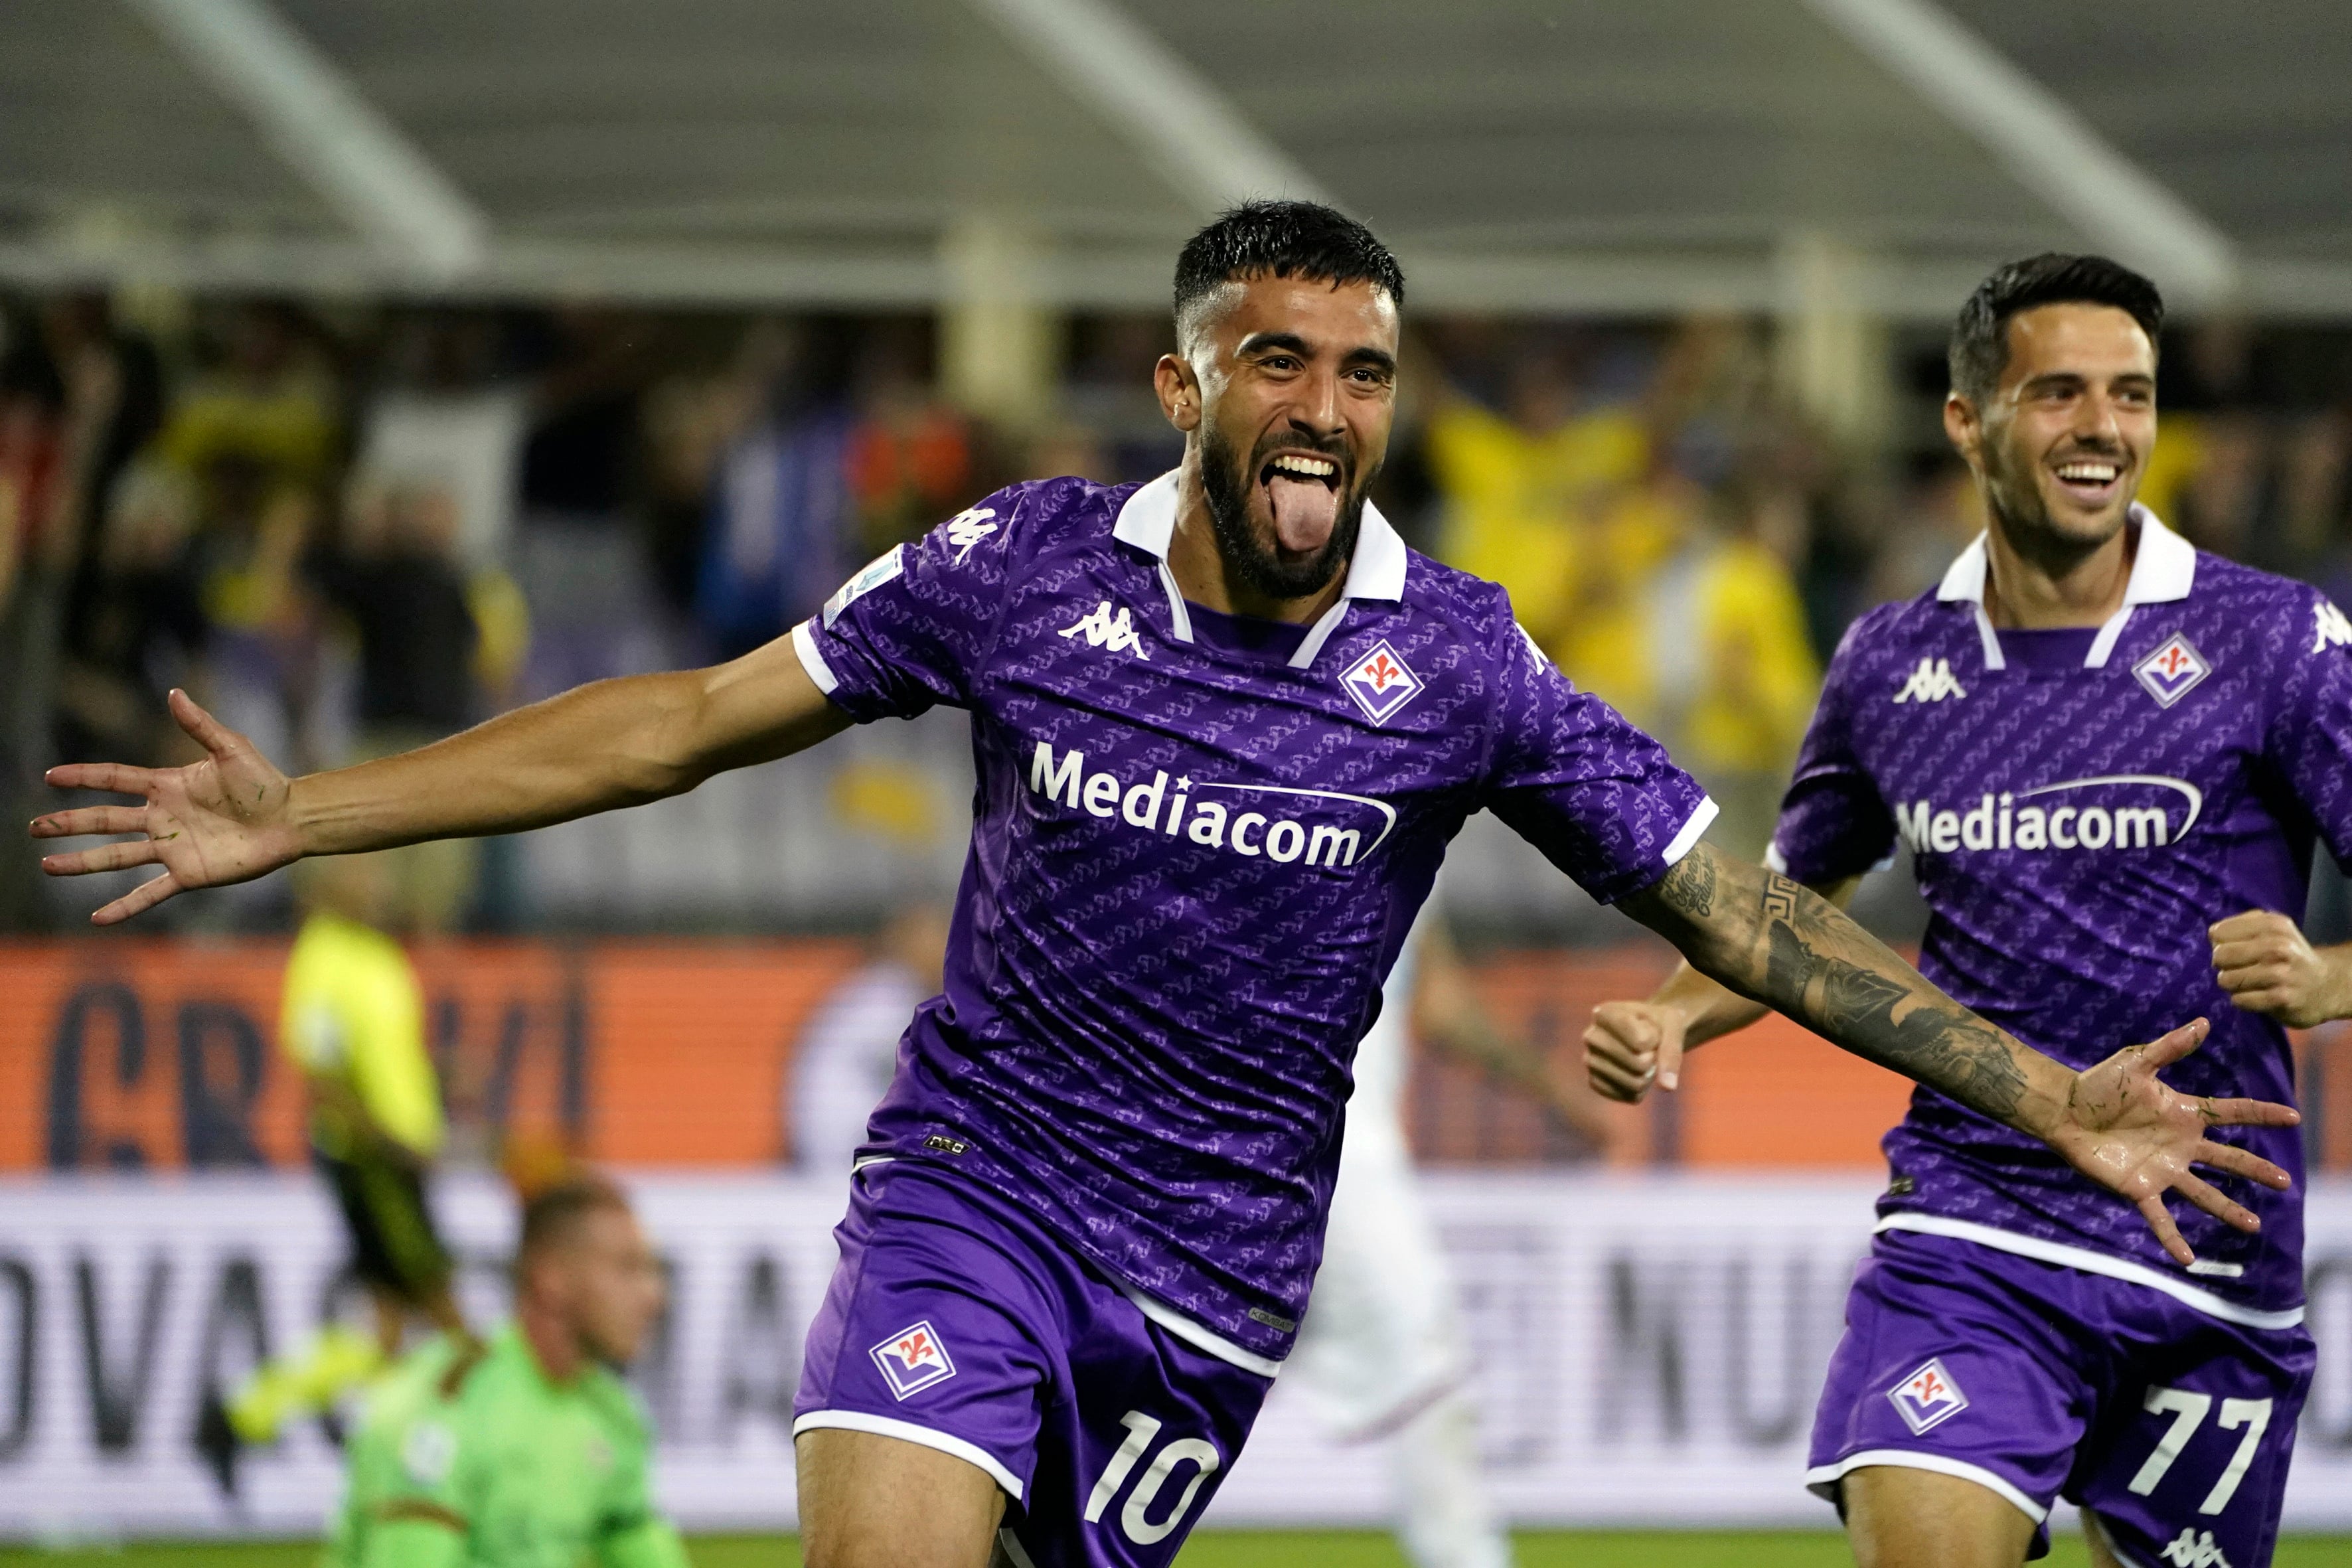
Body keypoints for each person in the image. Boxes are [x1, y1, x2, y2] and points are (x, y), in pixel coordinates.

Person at [35, 206, 2294, 1568]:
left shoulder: (1463, 658)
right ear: (1184, 381)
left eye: (1366, 373)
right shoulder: (1022, 566)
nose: (1324, 406)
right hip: (971, 1189)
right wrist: (305, 814)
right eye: (1279, 362)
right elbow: (686, 719)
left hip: (1211, 1282)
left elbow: (1753, 915)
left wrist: (2048, 1090)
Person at [1583, 254, 2348, 1568]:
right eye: (2056, 392)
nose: (2101, 427)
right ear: (1965, 416)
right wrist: (1668, 1014)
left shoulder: (2270, 638)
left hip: (2206, 1245)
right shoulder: (1889, 658)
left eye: (2129, 394)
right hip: (1973, 1224)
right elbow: (1788, 911)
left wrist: (2331, 976)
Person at [1288, 901, 1602, 1568]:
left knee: (1175, 1373)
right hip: (1312, 1151)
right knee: (1427, 1353)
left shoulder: (1418, 828)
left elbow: (1441, 1001)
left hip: (1342, 1154)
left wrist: (1552, 1089)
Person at [199, 850, 469, 1495]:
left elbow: (384, 1066)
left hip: (398, 1158)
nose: (379, 883)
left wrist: (442, 1082)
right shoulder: (320, 960)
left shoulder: (377, 954)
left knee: (386, 1337)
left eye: (380, 873)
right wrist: (393, 1143)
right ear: (324, 887)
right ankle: (485, 1460)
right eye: (363, 873)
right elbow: (321, 1076)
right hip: (371, 1164)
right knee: (451, 1321)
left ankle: (243, 1415)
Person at [323, 1172, 682, 1568]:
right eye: (626, 1268)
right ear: (551, 1279)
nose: (654, 1296)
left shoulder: (613, 1415)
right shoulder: (444, 1407)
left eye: (652, 1271)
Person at [790, 903, 951, 1174]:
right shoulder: (888, 996)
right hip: (841, 1147)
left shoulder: (883, 988)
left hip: (847, 1139)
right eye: (940, 940)